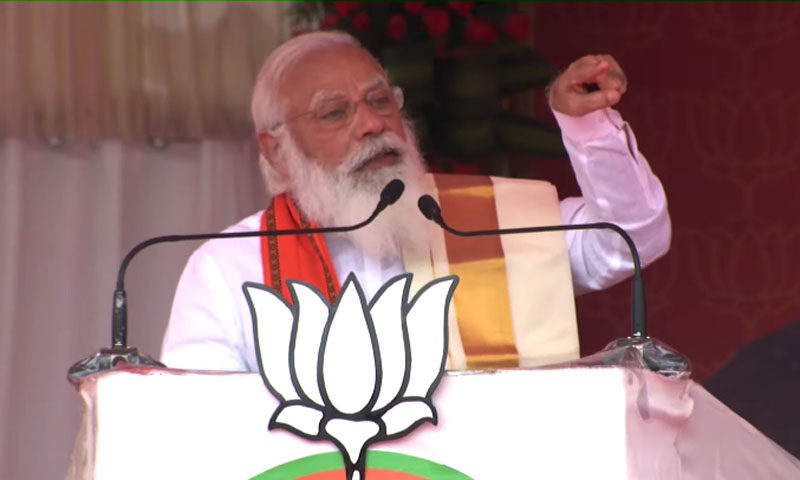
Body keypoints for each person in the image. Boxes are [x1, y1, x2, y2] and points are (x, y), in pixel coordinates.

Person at [161, 31, 671, 372]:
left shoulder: (489, 221)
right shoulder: (229, 268)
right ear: (277, 150)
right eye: (335, 113)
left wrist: (587, 126)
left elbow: (631, 239)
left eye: (380, 100)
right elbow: (197, 432)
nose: (372, 123)